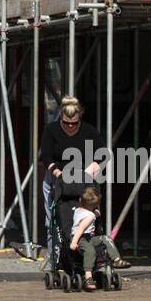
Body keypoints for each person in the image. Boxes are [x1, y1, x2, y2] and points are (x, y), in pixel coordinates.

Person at [39, 95, 107, 273]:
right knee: (53, 222)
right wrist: (56, 171)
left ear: (79, 119)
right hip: (58, 180)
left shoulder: (89, 131)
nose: (70, 126)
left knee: (89, 220)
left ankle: (90, 262)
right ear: (61, 117)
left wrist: (94, 165)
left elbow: (103, 153)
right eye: (66, 122)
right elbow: (45, 155)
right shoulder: (51, 130)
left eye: (74, 123)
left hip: (83, 182)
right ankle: (57, 263)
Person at [68, 186, 130, 290]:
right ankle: (88, 277)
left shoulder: (78, 210)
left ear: (80, 200)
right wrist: (74, 242)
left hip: (88, 237)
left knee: (106, 238)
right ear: (97, 204)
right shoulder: (90, 216)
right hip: (80, 238)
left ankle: (116, 260)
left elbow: (85, 213)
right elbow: (81, 228)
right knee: (90, 251)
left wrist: (94, 213)